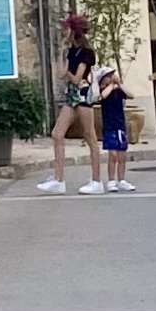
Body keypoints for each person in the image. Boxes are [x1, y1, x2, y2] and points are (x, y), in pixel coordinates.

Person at [40, 14, 98, 192]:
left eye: (66, 29)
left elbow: (76, 78)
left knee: (89, 135)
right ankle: (58, 179)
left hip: (83, 94)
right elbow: (60, 73)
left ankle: (96, 180)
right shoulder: (71, 51)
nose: (64, 32)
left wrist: (68, 73)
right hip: (71, 95)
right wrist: (62, 52)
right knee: (57, 134)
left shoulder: (86, 53)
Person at [96, 52, 132, 189]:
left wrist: (119, 84)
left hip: (120, 125)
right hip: (109, 126)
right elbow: (103, 96)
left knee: (122, 154)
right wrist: (111, 85)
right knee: (113, 155)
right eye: (108, 76)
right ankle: (111, 180)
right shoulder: (104, 91)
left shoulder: (118, 91)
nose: (111, 77)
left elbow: (131, 95)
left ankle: (122, 180)